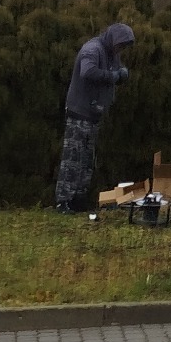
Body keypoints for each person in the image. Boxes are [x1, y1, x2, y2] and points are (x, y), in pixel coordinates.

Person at [54, 22, 135, 213]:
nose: (121, 50)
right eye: (120, 45)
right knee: (73, 158)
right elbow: (88, 71)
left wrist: (121, 75)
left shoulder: (111, 54)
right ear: (113, 39)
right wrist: (113, 76)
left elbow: (113, 72)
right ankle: (63, 201)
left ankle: (78, 199)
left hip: (93, 115)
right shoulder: (92, 49)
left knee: (86, 161)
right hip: (79, 112)